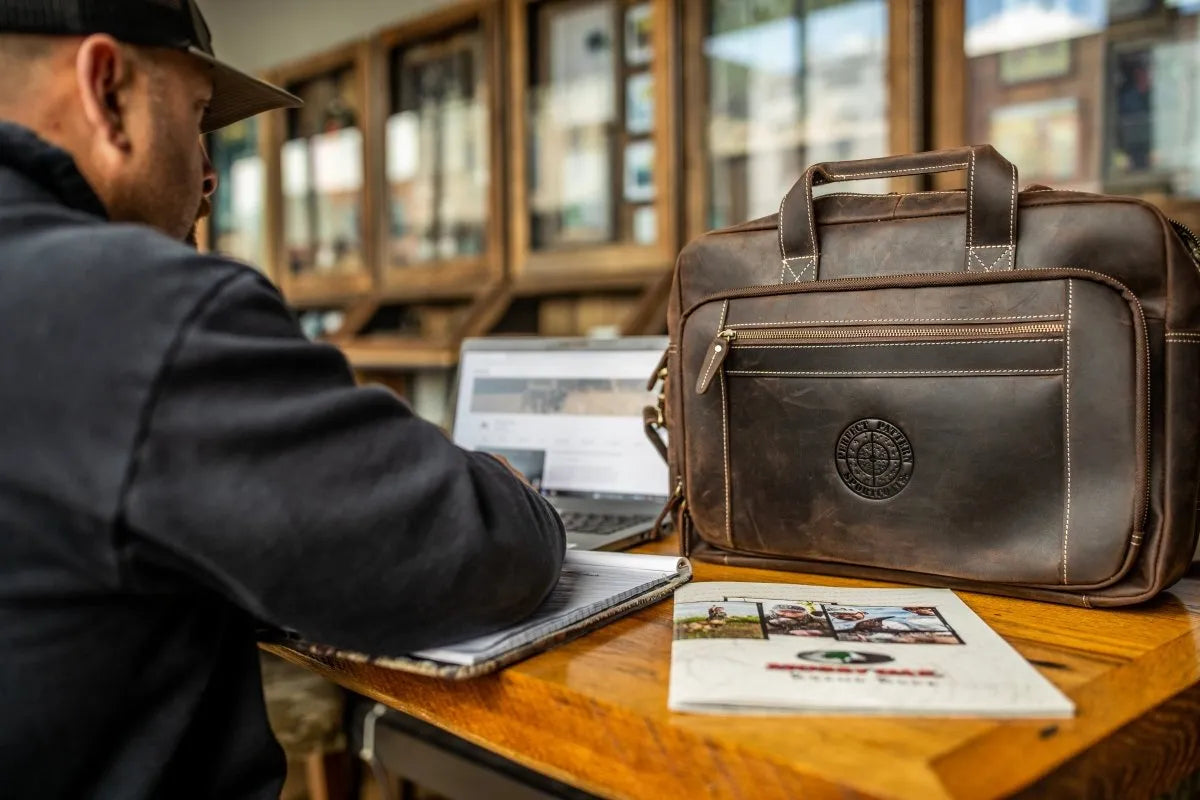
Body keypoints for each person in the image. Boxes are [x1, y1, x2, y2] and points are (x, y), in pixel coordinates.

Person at [0, 2, 565, 799]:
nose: (208, 171)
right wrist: (508, 488)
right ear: (105, 89)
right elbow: (477, 547)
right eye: (198, 115)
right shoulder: (139, 308)